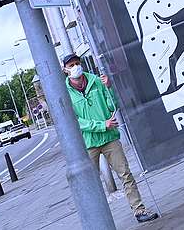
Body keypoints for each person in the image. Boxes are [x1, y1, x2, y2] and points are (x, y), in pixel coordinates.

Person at [62, 53, 159, 224]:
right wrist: (101, 125)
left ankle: (139, 210)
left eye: (77, 63)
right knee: (89, 183)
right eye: (71, 65)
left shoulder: (97, 81)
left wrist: (109, 88)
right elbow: (75, 121)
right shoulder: (65, 93)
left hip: (109, 138)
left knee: (125, 174)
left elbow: (113, 106)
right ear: (65, 70)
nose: (75, 66)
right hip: (88, 143)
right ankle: (95, 221)